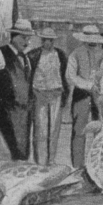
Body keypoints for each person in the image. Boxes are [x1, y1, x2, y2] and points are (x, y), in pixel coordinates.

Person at [0, 19, 35, 160]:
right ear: (14, 36)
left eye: (28, 38)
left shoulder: (26, 58)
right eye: (23, 38)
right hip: (6, 115)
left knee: (23, 156)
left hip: (24, 116)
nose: (27, 42)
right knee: (8, 156)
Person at [66, 24, 103, 169]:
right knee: (80, 130)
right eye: (89, 39)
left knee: (100, 128)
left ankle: (98, 163)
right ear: (84, 39)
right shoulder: (76, 54)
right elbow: (70, 76)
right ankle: (77, 166)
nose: (92, 42)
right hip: (82, 94)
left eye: (94, 39)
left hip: (98, 94)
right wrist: (87, 85)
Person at [27, 28, 68, 166]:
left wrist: (64, 95)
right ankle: (41, 161)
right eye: (45, 40)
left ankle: (51, 160)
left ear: (53, 41)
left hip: (56, 93)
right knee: (41, 129)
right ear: (41, 40)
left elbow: (64, 76)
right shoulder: (33, 55)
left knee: (54, 129)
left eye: (50, 40)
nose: (47, 43)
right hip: (39, 93)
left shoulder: (60, 55)